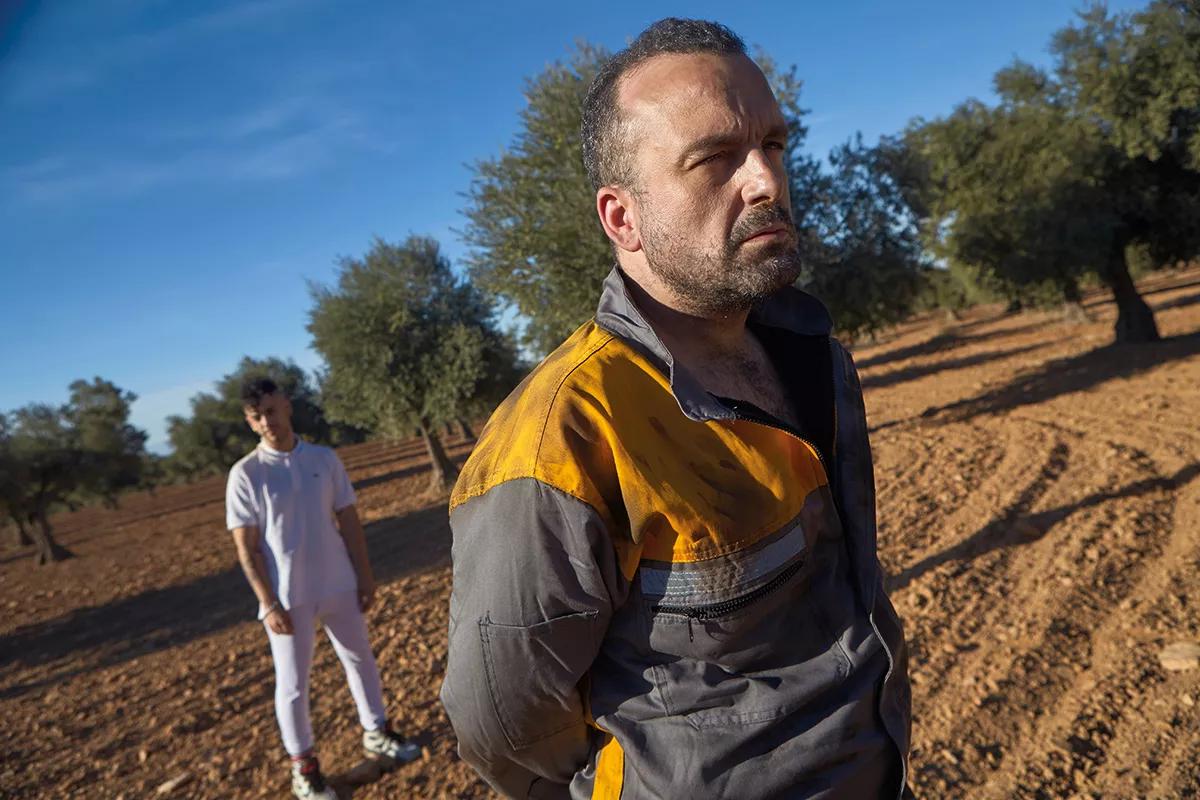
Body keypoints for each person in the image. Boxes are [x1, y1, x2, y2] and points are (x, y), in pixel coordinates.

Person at [440, 17, 912, 800]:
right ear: (622, 217)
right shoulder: (561, 435)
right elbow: (503, 722)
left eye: (774, 146)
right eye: (714, 158)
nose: (765, 181)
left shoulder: (813, 354)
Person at [225, 378, 420, 799]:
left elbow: (349, 520)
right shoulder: (246, 474)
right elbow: (247, 548)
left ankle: (377, 731)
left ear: (287, 407)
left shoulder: (323, 458)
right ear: (250, 421)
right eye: (258, 416)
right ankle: (304, 768)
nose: (267, 421)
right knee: (293, 684)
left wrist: (364, 576)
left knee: (361, 659)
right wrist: (268, 602)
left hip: (338, 584)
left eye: (272, 411)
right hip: (288, 598)